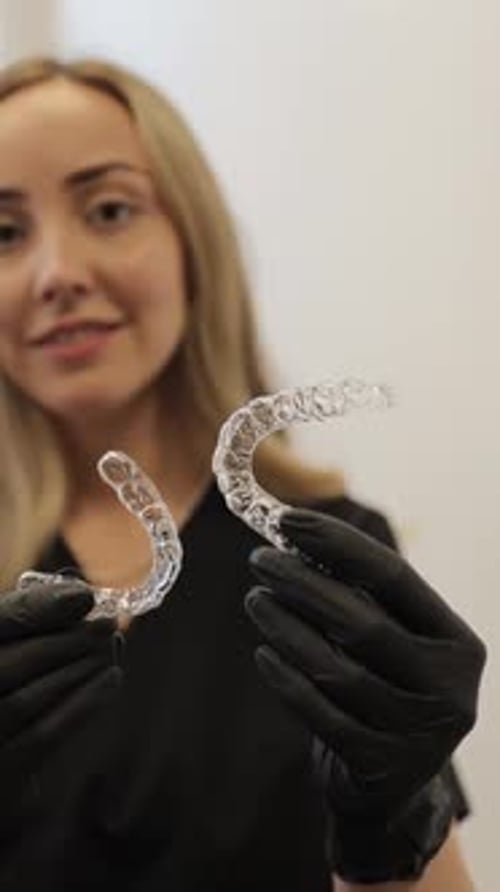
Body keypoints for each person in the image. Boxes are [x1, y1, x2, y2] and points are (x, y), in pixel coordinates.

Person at [0, 55, 485, 892]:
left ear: (194, 240)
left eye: (109, 208)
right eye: (3, 233)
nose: (59, 273)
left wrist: (390, 827)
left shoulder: (333, 560)